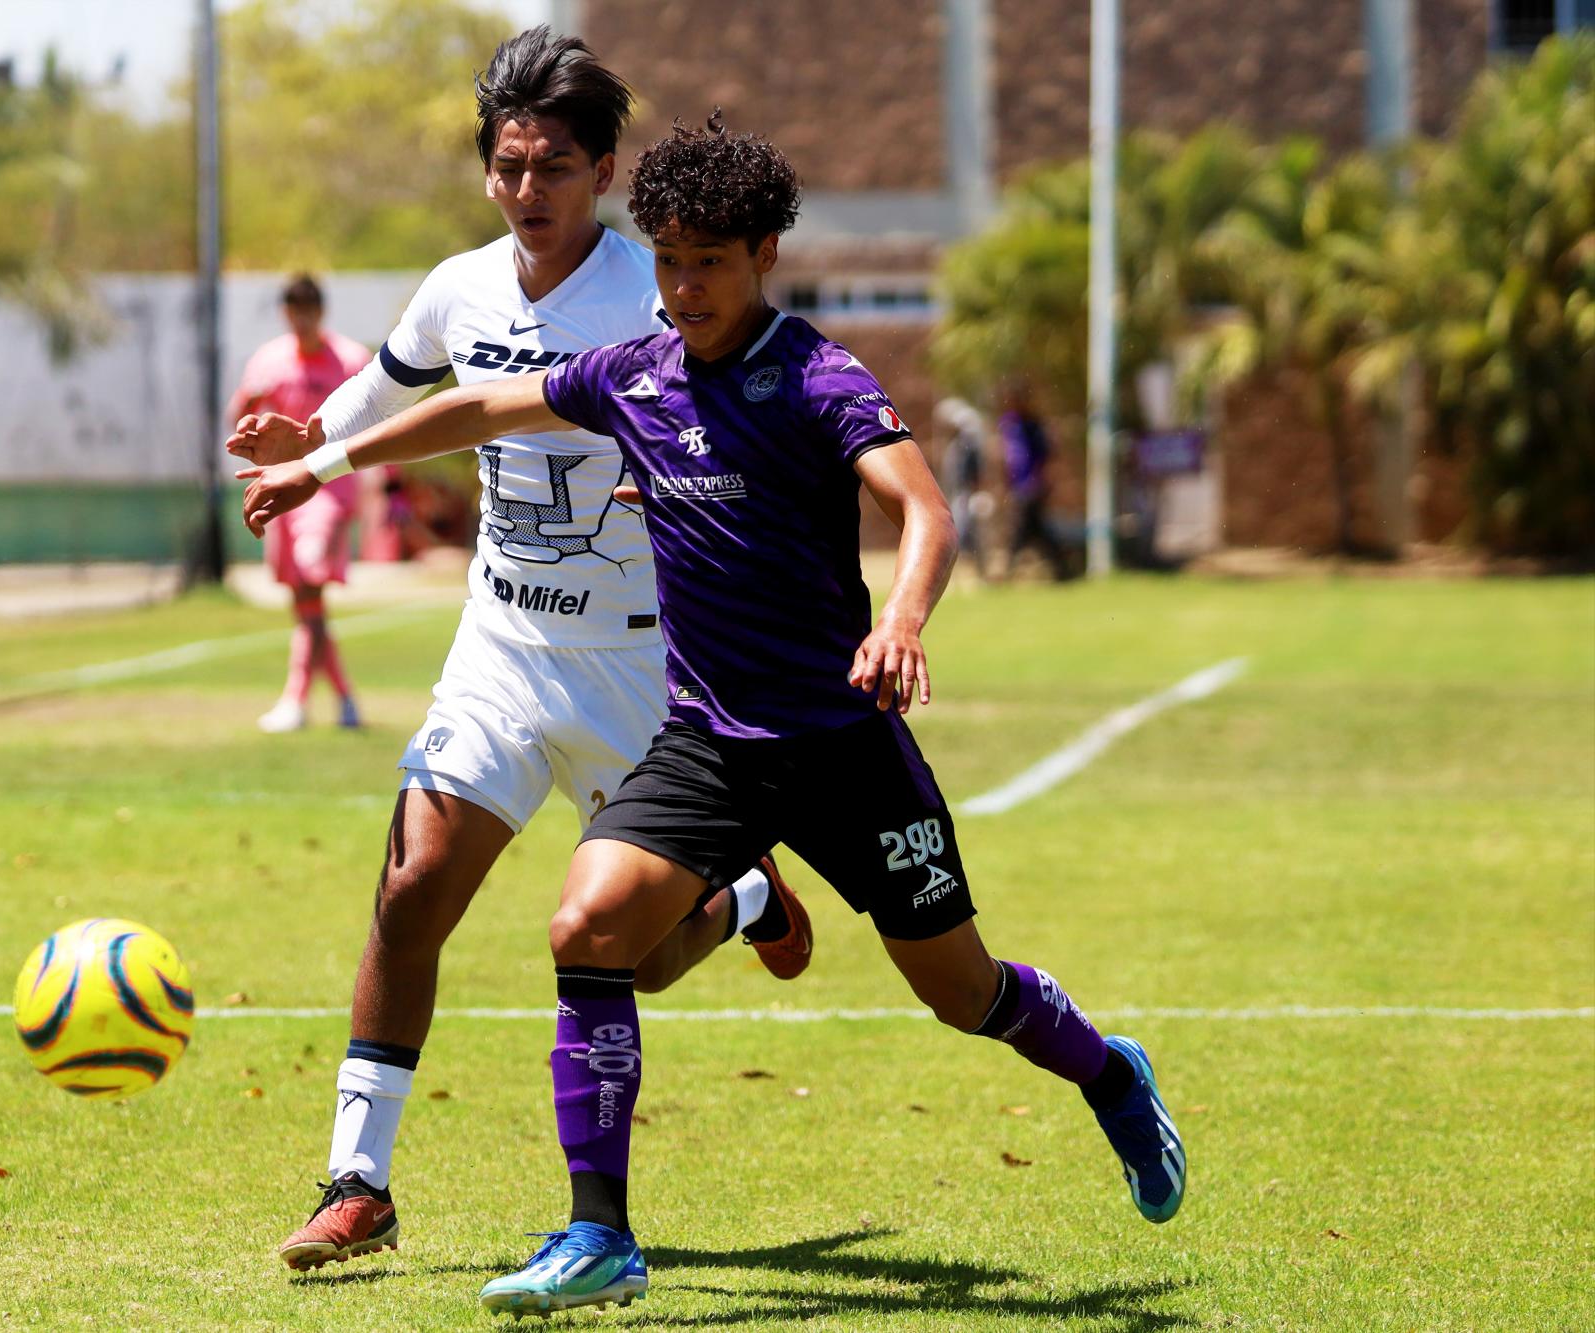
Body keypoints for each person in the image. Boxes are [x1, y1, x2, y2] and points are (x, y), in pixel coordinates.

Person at [240, 112, 1187, 1316]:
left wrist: (896, 623)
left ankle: (1108, 1074)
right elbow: (477, 410)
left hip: (842, 749)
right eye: (671, 259)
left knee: (962, 993)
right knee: (584, 927)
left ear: (765, 258)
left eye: (712, 262)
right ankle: (600, 1234)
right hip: (707, 747)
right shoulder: (632, 376)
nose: (684, 288)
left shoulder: (815, 376)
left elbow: (925, 511)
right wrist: (316, 462)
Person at [224, 29, 813, 1272]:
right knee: (407, 888)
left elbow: (741, 433)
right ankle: (357, 1180)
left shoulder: (655, 295)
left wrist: (685, 493)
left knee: (642, 959)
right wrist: (308, 441)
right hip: (500, 646)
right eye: (505, 166)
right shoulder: (460, 286)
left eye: (551, 166)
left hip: (645, 670)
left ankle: (739, 893)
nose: (525, 190)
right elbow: (393, 390)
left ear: (602, 169)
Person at [228, 275, 372, 732]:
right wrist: (249, 406)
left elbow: (378, 419)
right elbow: (240, 425)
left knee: (310, 584)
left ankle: (295, 700)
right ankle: (345, 700)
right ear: (285, 311)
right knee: (305, 602)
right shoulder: (269, 360)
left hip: (329, 489)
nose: (302, 315)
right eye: (294, 307)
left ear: (321, 310)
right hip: (282, 492)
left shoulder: (350, 359)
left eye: (309, 306)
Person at [998, 379, 1073, 581]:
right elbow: (1007, 457)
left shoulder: (1033, 426)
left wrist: (1044, 482)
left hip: (1032, 484)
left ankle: (1007, 571)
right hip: (1018, 484)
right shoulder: (1008, 424)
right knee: (1037, 530)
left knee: (1021, 530)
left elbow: (1046, 456)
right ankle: (1063, 569)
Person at [931, 396, 991, 576]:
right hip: (956, 495)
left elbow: (974, 475)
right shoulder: (955, 447)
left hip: (965, 495)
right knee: (965, 534)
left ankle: (976, 571)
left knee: (964, 534)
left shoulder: (968, 448)